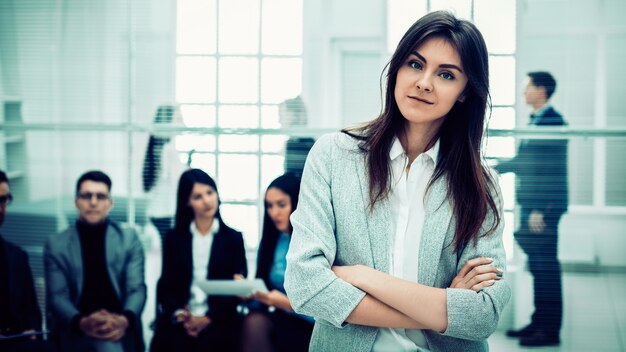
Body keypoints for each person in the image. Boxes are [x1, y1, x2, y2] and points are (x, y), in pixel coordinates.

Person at [284, 11, 510, 351]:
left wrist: (363, 276)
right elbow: (306, 286)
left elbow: (482, 315)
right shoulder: (332, 156)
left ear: (465, 92)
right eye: (415, 65)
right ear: (397, 69)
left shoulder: (481, 184)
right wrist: (441, 307)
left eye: (446, 74)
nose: (424, 82)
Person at [497, 71, 568, 347]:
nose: (524, 92)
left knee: (546, 268)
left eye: (528, 87)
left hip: (542, 208)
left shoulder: (553, 122)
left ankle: (549, 331)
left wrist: (541, 209)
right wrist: (492, 169)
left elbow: (550, 170)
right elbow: (526, 160)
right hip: (534, 205)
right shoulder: (538, 121)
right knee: (538, 267)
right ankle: (539, 322)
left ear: (541, 90)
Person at [45, 171, 146, 352]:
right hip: (76, 328)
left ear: (110, 203)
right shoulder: (56, 244)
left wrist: (123, 320)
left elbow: (136, 289)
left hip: (119, 326)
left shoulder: (128, 239)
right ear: (76, 202)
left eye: (100, 196)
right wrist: (83, 322)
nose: (93, 202)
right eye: (86, 196)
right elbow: (58, 296)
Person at [151, 169, 248, 352]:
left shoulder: (233, 238)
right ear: (187, 202)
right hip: (182, 319)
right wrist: (180, 314)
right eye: (197, 196)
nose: (206, 201)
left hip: (219, 319)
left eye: (210, 193)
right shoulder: (174, 238)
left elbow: (236, 289)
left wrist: (208, 318)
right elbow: (166, 285)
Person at [241, 173, 314, 352]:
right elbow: (264, 294)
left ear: (298, 203)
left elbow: (325, 310)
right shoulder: (273, 242)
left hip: (311, 323)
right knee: (252, 321)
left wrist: (286, 303)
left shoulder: (314, 243)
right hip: (279, 318)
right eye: (269, 206)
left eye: (281, 205)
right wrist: (248, 294)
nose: (274, 213)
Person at [0, 170, 47, 352]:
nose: (0, 209)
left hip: (18, 344)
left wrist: (31, 332)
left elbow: (33, 314)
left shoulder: (17, 256)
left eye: (3, 200)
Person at [143, 105, 188, 243]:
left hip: (157, 212)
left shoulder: (158, 148)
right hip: (166, 212)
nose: (182, 123)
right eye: (178, 119)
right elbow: (178, 182)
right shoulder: (168, 150)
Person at [279, 96, 315, 177]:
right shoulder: (309, 142)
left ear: (294, 116)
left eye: (281, 116)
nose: (279, 121)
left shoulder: (297, 145)